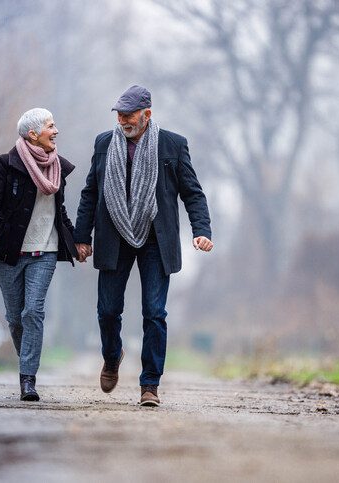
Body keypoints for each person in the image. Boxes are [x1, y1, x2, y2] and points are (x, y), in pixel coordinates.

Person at [74, 85, 213, 407]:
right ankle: (112, 356)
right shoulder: (104, 143)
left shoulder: (173, 144)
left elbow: (192, 192)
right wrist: (82, 238)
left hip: (155, 240)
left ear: (146, 114)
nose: (123, 121)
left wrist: (201, 230)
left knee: (154, 313)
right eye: (119, 115)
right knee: (108, 311)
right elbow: (90, 192)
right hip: (113, 236)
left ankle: (150, 384)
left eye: (129, 115)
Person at [0, 108, 78, 402]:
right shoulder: (6, 165)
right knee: (15, 318)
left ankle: (28, 380)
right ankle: (29, 361)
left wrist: (78, 241)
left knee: (33, 312)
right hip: (9, 251)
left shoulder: (58, 167)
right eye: (51, 126)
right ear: (33, 134)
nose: (56, 131)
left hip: (44, 251)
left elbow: (59, 213)